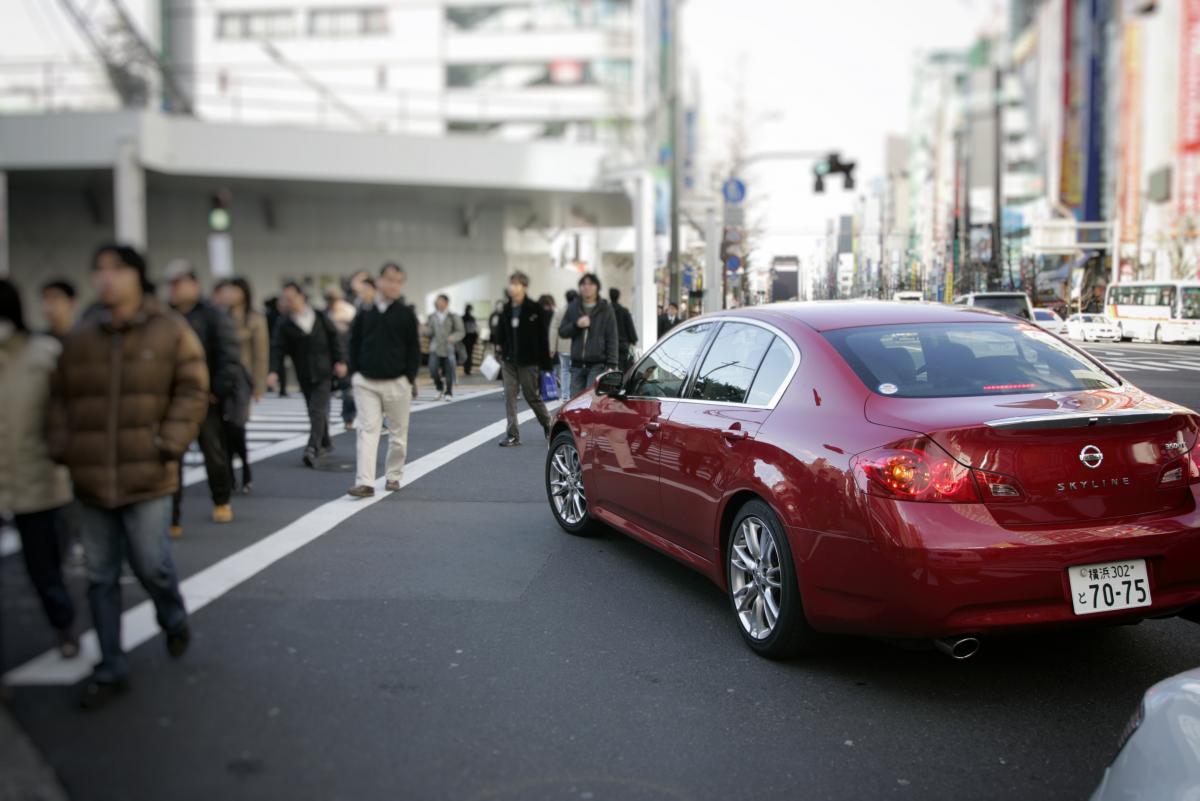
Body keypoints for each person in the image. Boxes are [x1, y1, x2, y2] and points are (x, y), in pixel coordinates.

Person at [48, 244, 207, 709]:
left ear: (138, 277)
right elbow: (58, 397)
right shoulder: (82, 335)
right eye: (98, 270)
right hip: (92, 474)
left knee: (150, 562)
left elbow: (193, 388)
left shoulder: (168, 330)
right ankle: (111, 665)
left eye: (115, 270)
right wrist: (63, 446)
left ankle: (172, 617)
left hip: (148, 472)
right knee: (99, 575)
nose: (105, 278)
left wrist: (169, 442)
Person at [0, 279, 79, 659]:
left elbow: (69, 413)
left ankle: (63, 625)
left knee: (44, 567)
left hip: (38, 478)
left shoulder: (44, 353)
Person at [164, 260, 240, 532]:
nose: (174, 289)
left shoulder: (212, 314)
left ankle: (221, 501)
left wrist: (217, 390)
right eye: (171, 284)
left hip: (204, 398)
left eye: (179, 283)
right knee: (171, 457)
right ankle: (171, 517)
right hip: (171, 400)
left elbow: (228, 354)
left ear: (194, 285)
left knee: (213, 452)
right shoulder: (164, 316)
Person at [346, 262, 420, 498]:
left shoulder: (406, 314)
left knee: (398, 435)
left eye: (398, 281)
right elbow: (353, 342)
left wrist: (409, 378)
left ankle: (393, 475)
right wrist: (354, 373)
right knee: (367, 430)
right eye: (389, 279)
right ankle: (365, 482)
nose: (393, 285)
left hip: (397, 381)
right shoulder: (366, 312)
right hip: (366, 381)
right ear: (378, 281)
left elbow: (414, 349)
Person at [268, 282, 347, 468]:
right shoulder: (285, 323)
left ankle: (311, 447)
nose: (287, 302)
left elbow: (334, 339)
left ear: (301, 297)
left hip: (323, 371)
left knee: (316, 409)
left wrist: (340, 360)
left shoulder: (319, 316)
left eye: (290, 298)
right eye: (285, 299)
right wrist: (273, 371)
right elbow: (277, 349)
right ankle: (326, 441)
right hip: (303, 373)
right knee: (314, 410)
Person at [214, 277, 268, 494]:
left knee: (237, 425)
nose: (229, 295)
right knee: (223, 428)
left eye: (233, 291)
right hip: (220, 377)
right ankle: (228, 472)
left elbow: (260, 354)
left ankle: (245, 468)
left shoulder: (254, 318)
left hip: (242, 379)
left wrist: (259, 386)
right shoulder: (217, 316)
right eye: (226, 291)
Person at [494, 271, 554, 447]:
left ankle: (547, 424)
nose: (512, 287)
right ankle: (512, 434)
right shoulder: (506, 308)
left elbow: (542, 338)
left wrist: (546, 365)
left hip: (529, 361)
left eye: (516, 283)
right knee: (510, 397)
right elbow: (500, 331)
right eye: (511, 283)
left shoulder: (534, 308)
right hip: (509, 360)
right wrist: (499, 346)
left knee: (531, 396)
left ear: (524, 286)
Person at [558, 273, 619, 397]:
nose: (587, 287)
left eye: (591, 284)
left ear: (597, 287)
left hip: (598, 365)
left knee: (591, 401)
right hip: (576, 365)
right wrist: (576, 325)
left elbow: (612, 337)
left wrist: (612, 365)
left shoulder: (605, 309)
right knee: (575, 403)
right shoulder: (573, 306)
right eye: (583, 284)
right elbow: (562, 331)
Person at [326, 285, 357, 430]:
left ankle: (349, 417)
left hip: (349, 356)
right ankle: (344, 419)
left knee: (348, 391)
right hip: (331, 357)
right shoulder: (326, 314)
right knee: (340, 391)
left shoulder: (350, 312)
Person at [425, 293, 463, 401]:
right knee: (433, 369)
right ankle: (439, 386)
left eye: (440, 300)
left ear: (446, 302)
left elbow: (460, 331)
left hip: (448, 348)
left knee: (448, 371)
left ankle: (449, 391)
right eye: (437, 301)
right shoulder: (432, 316)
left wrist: (453, 337)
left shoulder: (453, 316)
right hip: (435, 348)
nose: (438, 303)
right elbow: (430, 331)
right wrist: (424, 330)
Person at [264, 295, 290, 397]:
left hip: (271, 343)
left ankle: (271, 386)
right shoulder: (280, 316)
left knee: (272, 365)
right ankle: (282, 388)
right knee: (280, 367)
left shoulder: (269, 315)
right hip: (276, 344)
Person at [553, 289, 577, 394]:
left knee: (564, 370)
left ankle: (565, 394)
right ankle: (572, 393)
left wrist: (553, 346)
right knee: (574, 371)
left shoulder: (560, 311)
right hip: (574, 346)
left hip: (562, 346)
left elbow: (554, 329)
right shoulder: (578, 311)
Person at [609, 287, 639, 371]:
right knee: (623, 368)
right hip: (622, 344)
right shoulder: (624, 311)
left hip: (608, 345)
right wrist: (633, 340)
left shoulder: (606, 311)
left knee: (608, 368)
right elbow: (630, 326)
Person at [461, 303, 479, 375]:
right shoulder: (472, 318)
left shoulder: (462, 318)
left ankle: (466, 368)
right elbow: (473, 330)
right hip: (470, 339)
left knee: (464, 354)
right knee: (469, 354)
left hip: (464, 339)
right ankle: (468, 369)